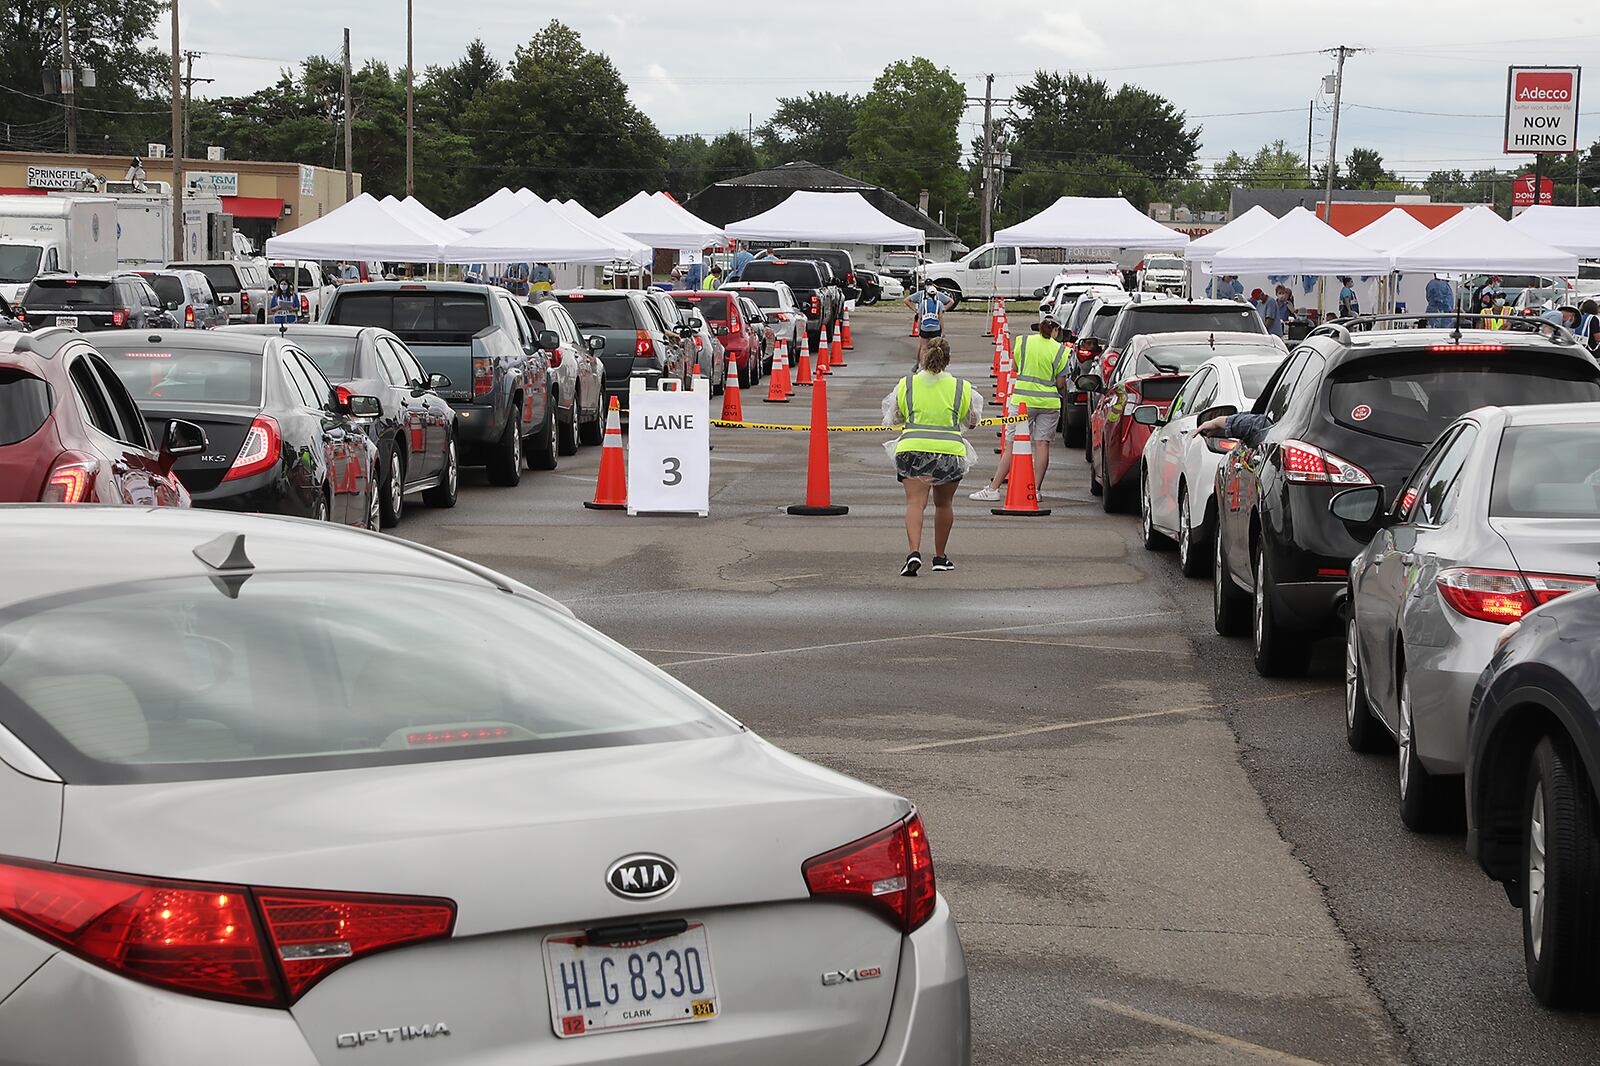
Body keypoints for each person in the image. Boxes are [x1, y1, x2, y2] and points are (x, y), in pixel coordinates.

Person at [882, 337, 982, 576]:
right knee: (944, 504)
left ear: (923, 356)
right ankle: (940, 556)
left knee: (915, 503)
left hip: (912, 449)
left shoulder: (907, 383)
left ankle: (914, 552)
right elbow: (973, 420)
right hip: (950, 452)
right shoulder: (962, 387)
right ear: (948, 360)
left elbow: (893, 417)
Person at [969, 318, 1072, 502]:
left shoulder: (1023, 342)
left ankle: (993, 489)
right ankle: (1036, 490)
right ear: (1055, 331)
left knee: (1011, 445)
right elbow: (1061, 383)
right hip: (1049, 404)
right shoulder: (1062, 351)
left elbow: (1015, 368)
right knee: (1042, 445)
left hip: (1022, 402)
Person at [904, 282, 954, 363]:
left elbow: (920, 318)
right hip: (936, 328)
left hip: (925, 328)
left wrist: (918, 329)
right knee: (936, 347)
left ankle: (922, 365)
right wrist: (943, 331)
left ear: (927, 293)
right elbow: (941, 318)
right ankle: (935, 364)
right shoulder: (939, 303)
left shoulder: (923, 303)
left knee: (923, 347)